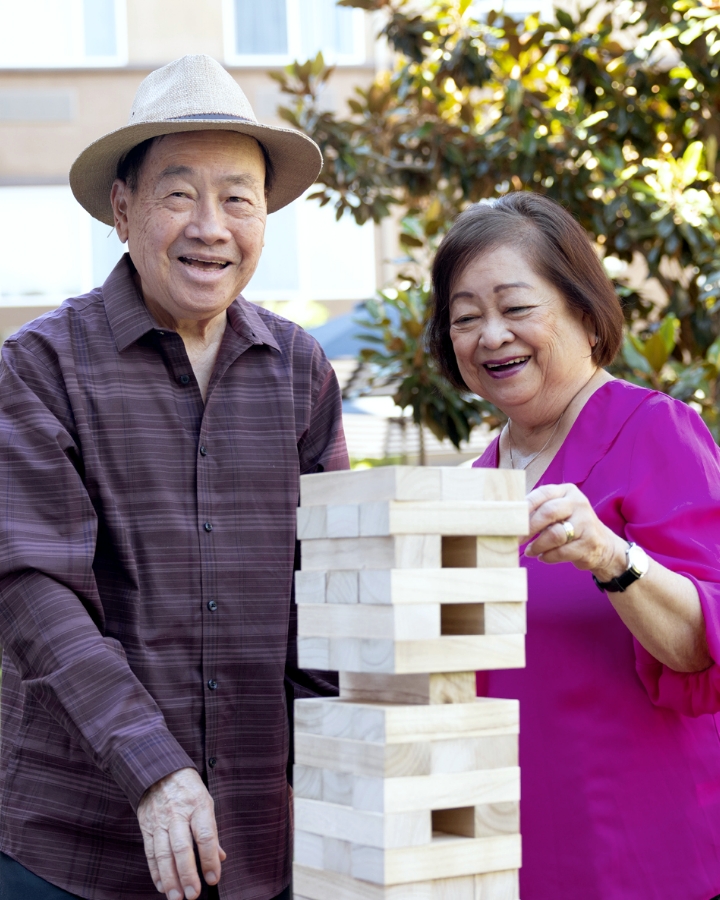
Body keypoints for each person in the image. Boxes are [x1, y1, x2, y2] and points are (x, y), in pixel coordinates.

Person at [0, 55, 348, 900]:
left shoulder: (301, 370)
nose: (211, 227)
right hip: (72, 844)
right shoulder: (38, 367)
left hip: (260, 843)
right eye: (179, 193)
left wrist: (332, 765)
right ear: (123, 210)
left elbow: (330, 589)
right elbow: (31, 588)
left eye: (239, 198)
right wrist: (153, 768)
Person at [428, 191, 720, 899]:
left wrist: (612, 559)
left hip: (636, 856)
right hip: (499, 858)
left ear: (586, 315)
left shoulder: (657, 432)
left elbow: (702, 644)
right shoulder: (469, 484)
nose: (490, 335)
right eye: (465, 318)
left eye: (515, 307)